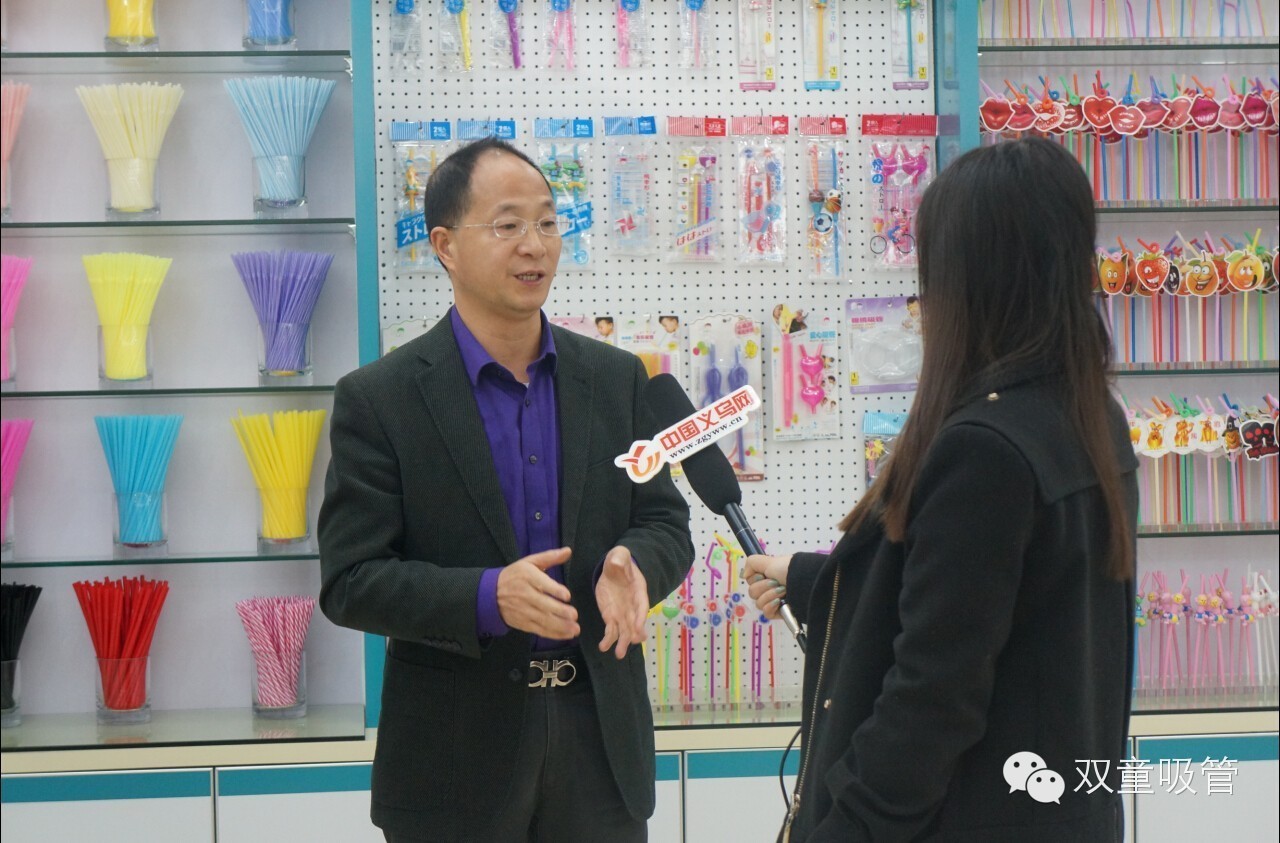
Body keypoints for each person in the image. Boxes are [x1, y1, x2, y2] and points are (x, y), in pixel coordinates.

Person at [744, 137, 1139, 842]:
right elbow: (992, 605)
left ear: (969, 280)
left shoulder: (984, 449)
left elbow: (931, 699)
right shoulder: (1088, 417)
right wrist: (810, 579)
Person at [318, 136, 694, 843]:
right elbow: (351, 580)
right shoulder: (381, 399)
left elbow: (665, 523)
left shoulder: (616, 380)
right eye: (508, 224)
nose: (535, 244)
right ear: (445, 246)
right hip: (453, 762)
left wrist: (634, 562)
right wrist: (488, 597)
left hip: (600, 750)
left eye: (548, 222)